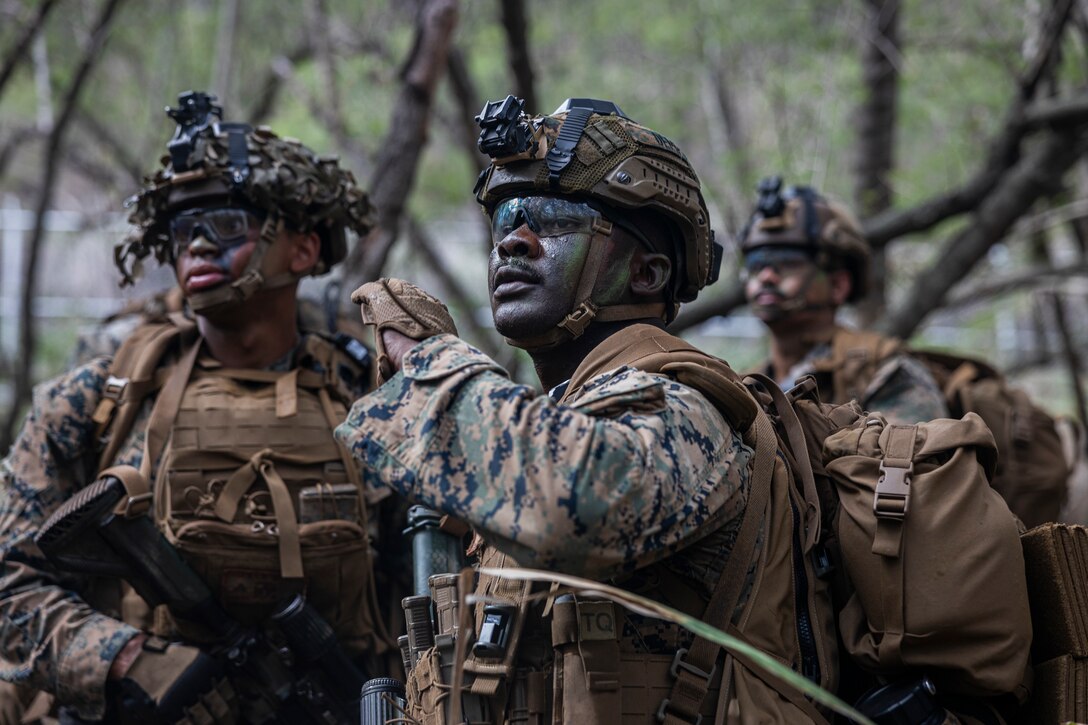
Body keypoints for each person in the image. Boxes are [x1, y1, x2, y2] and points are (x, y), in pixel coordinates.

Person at [336, 97, 839, 723]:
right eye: (504, 222)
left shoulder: (689, 405)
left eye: (551, 220)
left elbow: (571, 504)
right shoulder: (560, 413)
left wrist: (430, 363)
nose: (513, 243)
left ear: (648, 274)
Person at [0, 92, 402, 722]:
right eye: (184, 231)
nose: (197, 248)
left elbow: (432, 589)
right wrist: (128, 660)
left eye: (227, 227)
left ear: (302, 249)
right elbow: (9, 580)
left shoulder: (373, 403)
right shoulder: (96, 403)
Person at [739, 176, 949, 424]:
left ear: (838, 285)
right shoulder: (746, 385)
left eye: (788, 264)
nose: (767, 276)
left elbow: (919, 459)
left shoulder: (884, 373)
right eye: (756, 265)